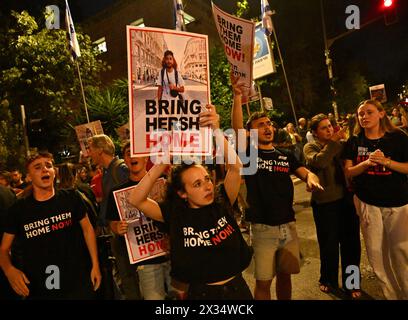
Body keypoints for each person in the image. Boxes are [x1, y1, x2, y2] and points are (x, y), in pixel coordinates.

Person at [129, 104, 254, 300]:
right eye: (197, 184)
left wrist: (215, 129)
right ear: (182, 193)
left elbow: (236, 168)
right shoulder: (175, 215)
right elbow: (135, 199)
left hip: (238, 290)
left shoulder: (222, 201)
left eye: (207, 179)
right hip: (203, 296)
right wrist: (161, 162)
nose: (207, 186)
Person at [231, 74, 323, 300]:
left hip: (288, 225)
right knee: (264, 282)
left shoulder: (286, 155)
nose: (267, 127)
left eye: (269, 124)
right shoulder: (249, 153)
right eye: (260, 125)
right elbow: (236, 127)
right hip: (262, 228)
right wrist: (236, 97)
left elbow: (305, 172)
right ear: (251, 132)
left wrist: (311, 178)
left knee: (286, 277)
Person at [0, 152, 101, 299]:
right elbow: (3, 249)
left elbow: (88, 230)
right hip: (42, 286)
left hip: (78, 279)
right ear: (29, 175)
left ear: (55, 172)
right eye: (37, 167)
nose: (45, 169)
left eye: (48, 165)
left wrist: (95, 264)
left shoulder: (72, 197)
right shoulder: (18, 210)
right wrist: (9, 270)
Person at [343, 99, 408, 300]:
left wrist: (386, 162)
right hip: (367, 203)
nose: (364, 117)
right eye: (360, 114)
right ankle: (391, 296)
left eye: (369, 112)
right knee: (376, 254)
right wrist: (367, 164)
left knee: (401, 252)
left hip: (398, 203)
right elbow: (348, 172)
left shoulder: (398, 137)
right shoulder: (354, 141)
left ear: (381, 114)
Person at [303, 113, 361, 299]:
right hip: (325, 204)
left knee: (351, 244)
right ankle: (327, 279)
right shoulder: (310, 147)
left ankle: (352, 282)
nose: (329, 130)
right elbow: (319, 162)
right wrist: (334, 143)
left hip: (347, 200)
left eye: (330, 126)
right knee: (328, 244)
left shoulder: (341, 144)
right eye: (323, 128)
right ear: (314, 132)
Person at [106, 141, 171, 300]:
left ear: (146, 157)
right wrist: (117, 227)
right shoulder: (116, 192)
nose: (132, 156)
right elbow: (112, 222)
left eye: (137, 152)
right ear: (125, 160)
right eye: (128, 153)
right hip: (146, 262)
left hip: (172, 255)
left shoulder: (164, 182)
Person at [87, 134, 141, 300]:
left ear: (100, 150)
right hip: (118, 232)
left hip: (129, 234)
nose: (88, 154)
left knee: (133, 278)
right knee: (127, 277)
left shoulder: (120, 170)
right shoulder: (108, 173)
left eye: (91, 149)